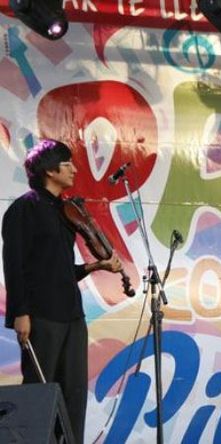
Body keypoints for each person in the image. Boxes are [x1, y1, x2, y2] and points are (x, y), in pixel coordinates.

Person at [3, 139, 123, 444]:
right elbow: (14, 265)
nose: (74, 169)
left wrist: (95, 267)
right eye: (67, 164)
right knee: (40, 394)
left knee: (74, 395)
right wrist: (20, 313)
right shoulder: (23, 209)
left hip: (72, 315)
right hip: (40, 316)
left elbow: (60, 271)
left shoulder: (65, 212)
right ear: (50, 170)